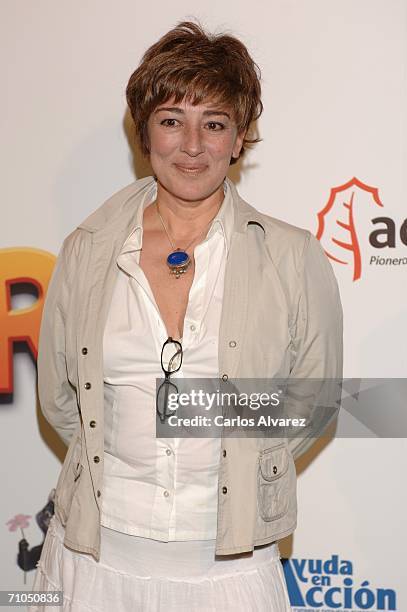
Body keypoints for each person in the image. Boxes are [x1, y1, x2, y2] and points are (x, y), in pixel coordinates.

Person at [30, 20, 343, 612]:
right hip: (91, 564)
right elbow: (62, 402)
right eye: (172, 120)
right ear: (144, 131)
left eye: (215, 123)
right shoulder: (88, 249)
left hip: (230, 574)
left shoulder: (291, 255)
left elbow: (313, 401)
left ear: (239, 136)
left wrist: (224, 437)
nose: (193, 145)